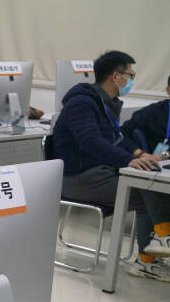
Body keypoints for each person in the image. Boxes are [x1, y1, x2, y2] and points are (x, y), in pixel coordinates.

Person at [53, 50, 170, 281]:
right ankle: (158, 244)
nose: (131, 80)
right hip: (77, 177)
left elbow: (116, 137)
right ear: (115, 76)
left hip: (98, 172)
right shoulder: (82, 103)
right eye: (130, 75)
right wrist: (128, 160)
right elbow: (92, 142)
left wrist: (140, 154)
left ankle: (150, 257)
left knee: (147, 181)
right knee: (144, 187)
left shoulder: (105, 103)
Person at [122, 74, 170, 158]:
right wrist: (139, 153)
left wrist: (163, 156)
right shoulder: (153, 111)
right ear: (168, 90)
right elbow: (122, 132)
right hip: (150, 160)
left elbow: (164, 156)